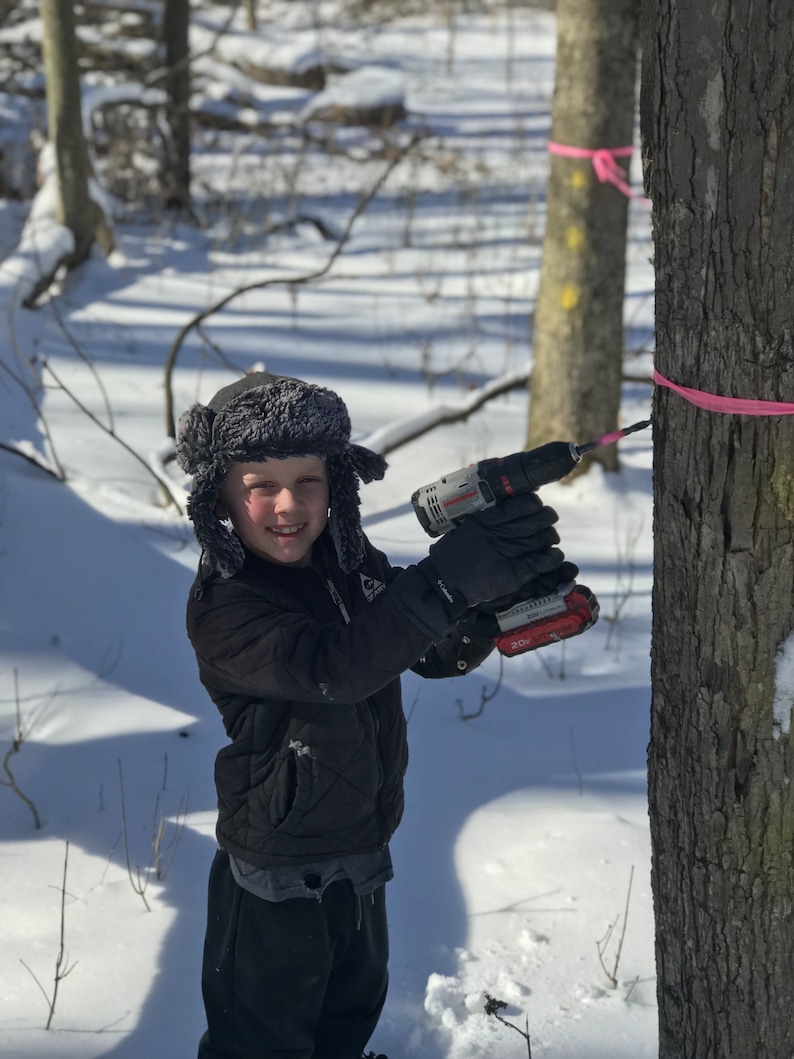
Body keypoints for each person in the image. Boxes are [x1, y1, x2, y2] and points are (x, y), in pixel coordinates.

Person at [177, 371, 571, 1059]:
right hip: (272, 873)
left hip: (360, 845)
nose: (287, 505)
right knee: (259, 1040)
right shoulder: (227, 603)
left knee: (348, 1012)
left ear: (339, 483)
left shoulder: (345, 561)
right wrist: (447, 580)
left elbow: (408, 641)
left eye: (308, 481)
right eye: (259, 485)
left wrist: (482, 606)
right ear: (219, 495)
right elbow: (335, 666)